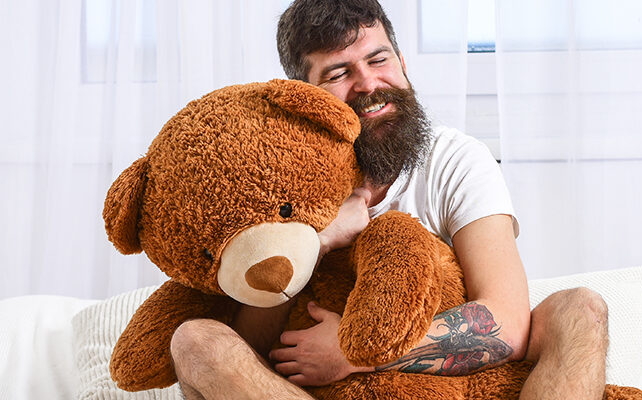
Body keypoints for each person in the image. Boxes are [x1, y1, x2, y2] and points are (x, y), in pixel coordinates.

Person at [169, 1, 609, 399]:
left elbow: (507, 325)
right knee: (195, 341)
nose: (368, 83)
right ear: (305, 97)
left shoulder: (455, 160)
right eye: (338, 74)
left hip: (449, 390)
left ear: (402, 63)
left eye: (378, 60)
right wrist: (314, 241)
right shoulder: (280, 180)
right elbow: (251, 349)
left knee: (581, 309)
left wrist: (356, 352)